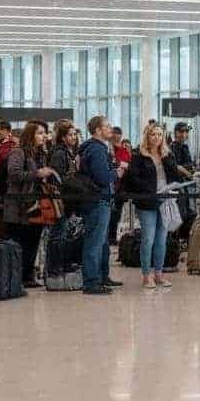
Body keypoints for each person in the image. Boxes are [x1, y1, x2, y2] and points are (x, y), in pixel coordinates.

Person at [123, 123, 186, 289]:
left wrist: (172, 167)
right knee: (148, 239)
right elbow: (133, 179)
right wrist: (150, 189)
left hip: (165, 199)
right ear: (147, 136)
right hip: (147, 202)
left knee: (162, 239)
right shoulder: (139, 156)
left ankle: (159, 273)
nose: (157, 138)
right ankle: (146, 275)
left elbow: (175, 176)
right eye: (153, 134)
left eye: (160, 134)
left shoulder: (167, 154)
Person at [3, 121, 57, 289]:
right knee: (20, 241)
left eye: (44, 133)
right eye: (40, 133)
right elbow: (14, 175)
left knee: (33, 241)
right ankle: (16, 276)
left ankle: (28, 276)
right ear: (31, 134)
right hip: (19, 206)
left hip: (36, 205)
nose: (43, 136)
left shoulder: (40, 154)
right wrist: (37, 173)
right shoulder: (18, 152)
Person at [78, 116, 126, 295]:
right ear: (98, 130)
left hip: (99, 200)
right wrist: (116, 172)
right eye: (107, 126)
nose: (110, 129)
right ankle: (92, 281)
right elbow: (102, 177)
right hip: (98, 200)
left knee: (102, 242)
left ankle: (101, 276)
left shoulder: (95, 148)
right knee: (95, 242)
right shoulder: (97, 150)